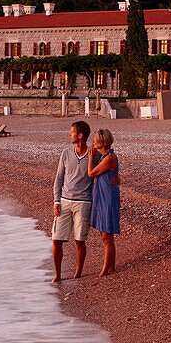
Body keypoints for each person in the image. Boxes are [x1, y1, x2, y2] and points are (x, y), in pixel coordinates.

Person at [51, 120, 93, 282]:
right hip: (64, 201)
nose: (70, 135)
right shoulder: (66, 153)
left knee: (79, 240)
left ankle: (78, 273)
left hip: (84, 203)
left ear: (80, 135)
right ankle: (57, 275)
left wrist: (115, 177)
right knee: (56, 240)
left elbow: (103, 170)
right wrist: (56, 201)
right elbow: (59, 178)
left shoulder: (92, 155)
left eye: (72, 132)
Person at [88, 128, 120, 278]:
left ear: (101, 142)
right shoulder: (104, 157)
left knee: (107, 235)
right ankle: (111, 266)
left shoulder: (109, 158)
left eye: (95, 140)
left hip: (107, 197)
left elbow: (91, 173)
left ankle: (105, 269)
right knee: (105, 234)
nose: (92, 142)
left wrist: (89, 158)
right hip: (103, 195)